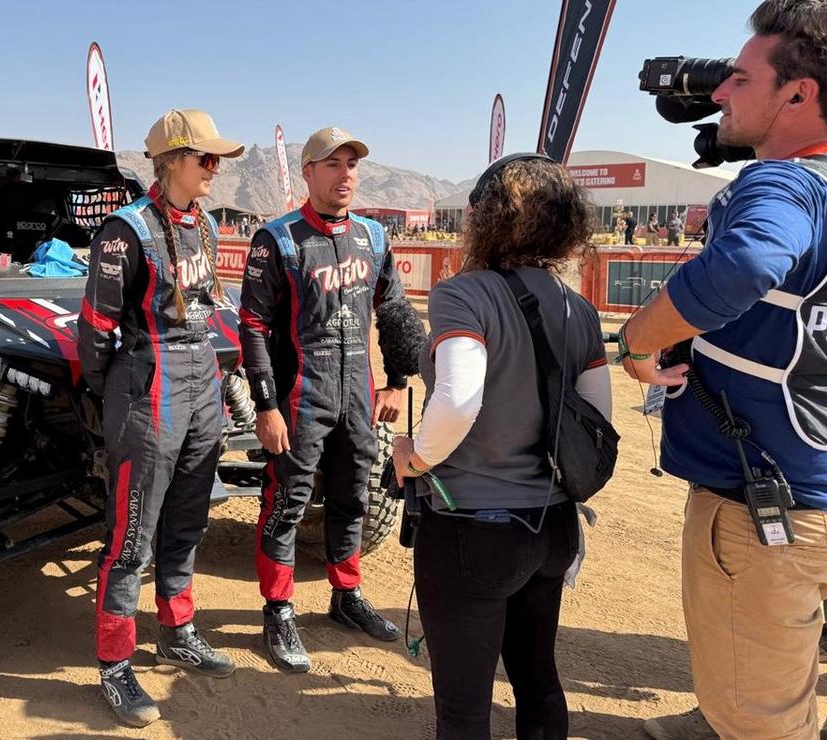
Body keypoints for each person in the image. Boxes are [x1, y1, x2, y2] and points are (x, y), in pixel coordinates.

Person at [619, 3, 827, 737]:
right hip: (810, 488)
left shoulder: (787, 183)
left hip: (769, 509)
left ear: (799, 96)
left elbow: (745, 261)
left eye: (740, 79)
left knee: (763, 724)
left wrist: (639, 342)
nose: (717, 94)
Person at [390, 153, 610, 739]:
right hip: (554, 527)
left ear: (486, 219)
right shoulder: (580, 309)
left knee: (464, 710)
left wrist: (415, 456)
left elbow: (459, 400)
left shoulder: (465, 295)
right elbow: (598, 423)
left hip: (473, 531)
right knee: (539, 681)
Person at [77, 109, 244, 728]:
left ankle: (177, 629)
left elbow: (204, 306)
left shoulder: (201, 222)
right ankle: (115, 664)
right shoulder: (123, 233)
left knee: (187, 521)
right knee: (131, 539)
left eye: (216, 158)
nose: (215, 167)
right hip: (150, 388)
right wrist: (117, 392)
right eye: (206, 158)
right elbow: (95, 332)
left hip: (203, 383)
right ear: (172, 160)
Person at [238, 126, 421, 673]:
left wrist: (397, 378)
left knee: (353, 498)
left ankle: (346, 596)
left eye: (352, 164)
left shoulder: (373, 236)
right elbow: (251, 326)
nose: (345, 174)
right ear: (308, 173)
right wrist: (266, 407)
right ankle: (279, 608)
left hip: (359, 396)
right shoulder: (278, 239)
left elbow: (392, 310)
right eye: (332, 164)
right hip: (300, 397)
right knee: (287, 503)